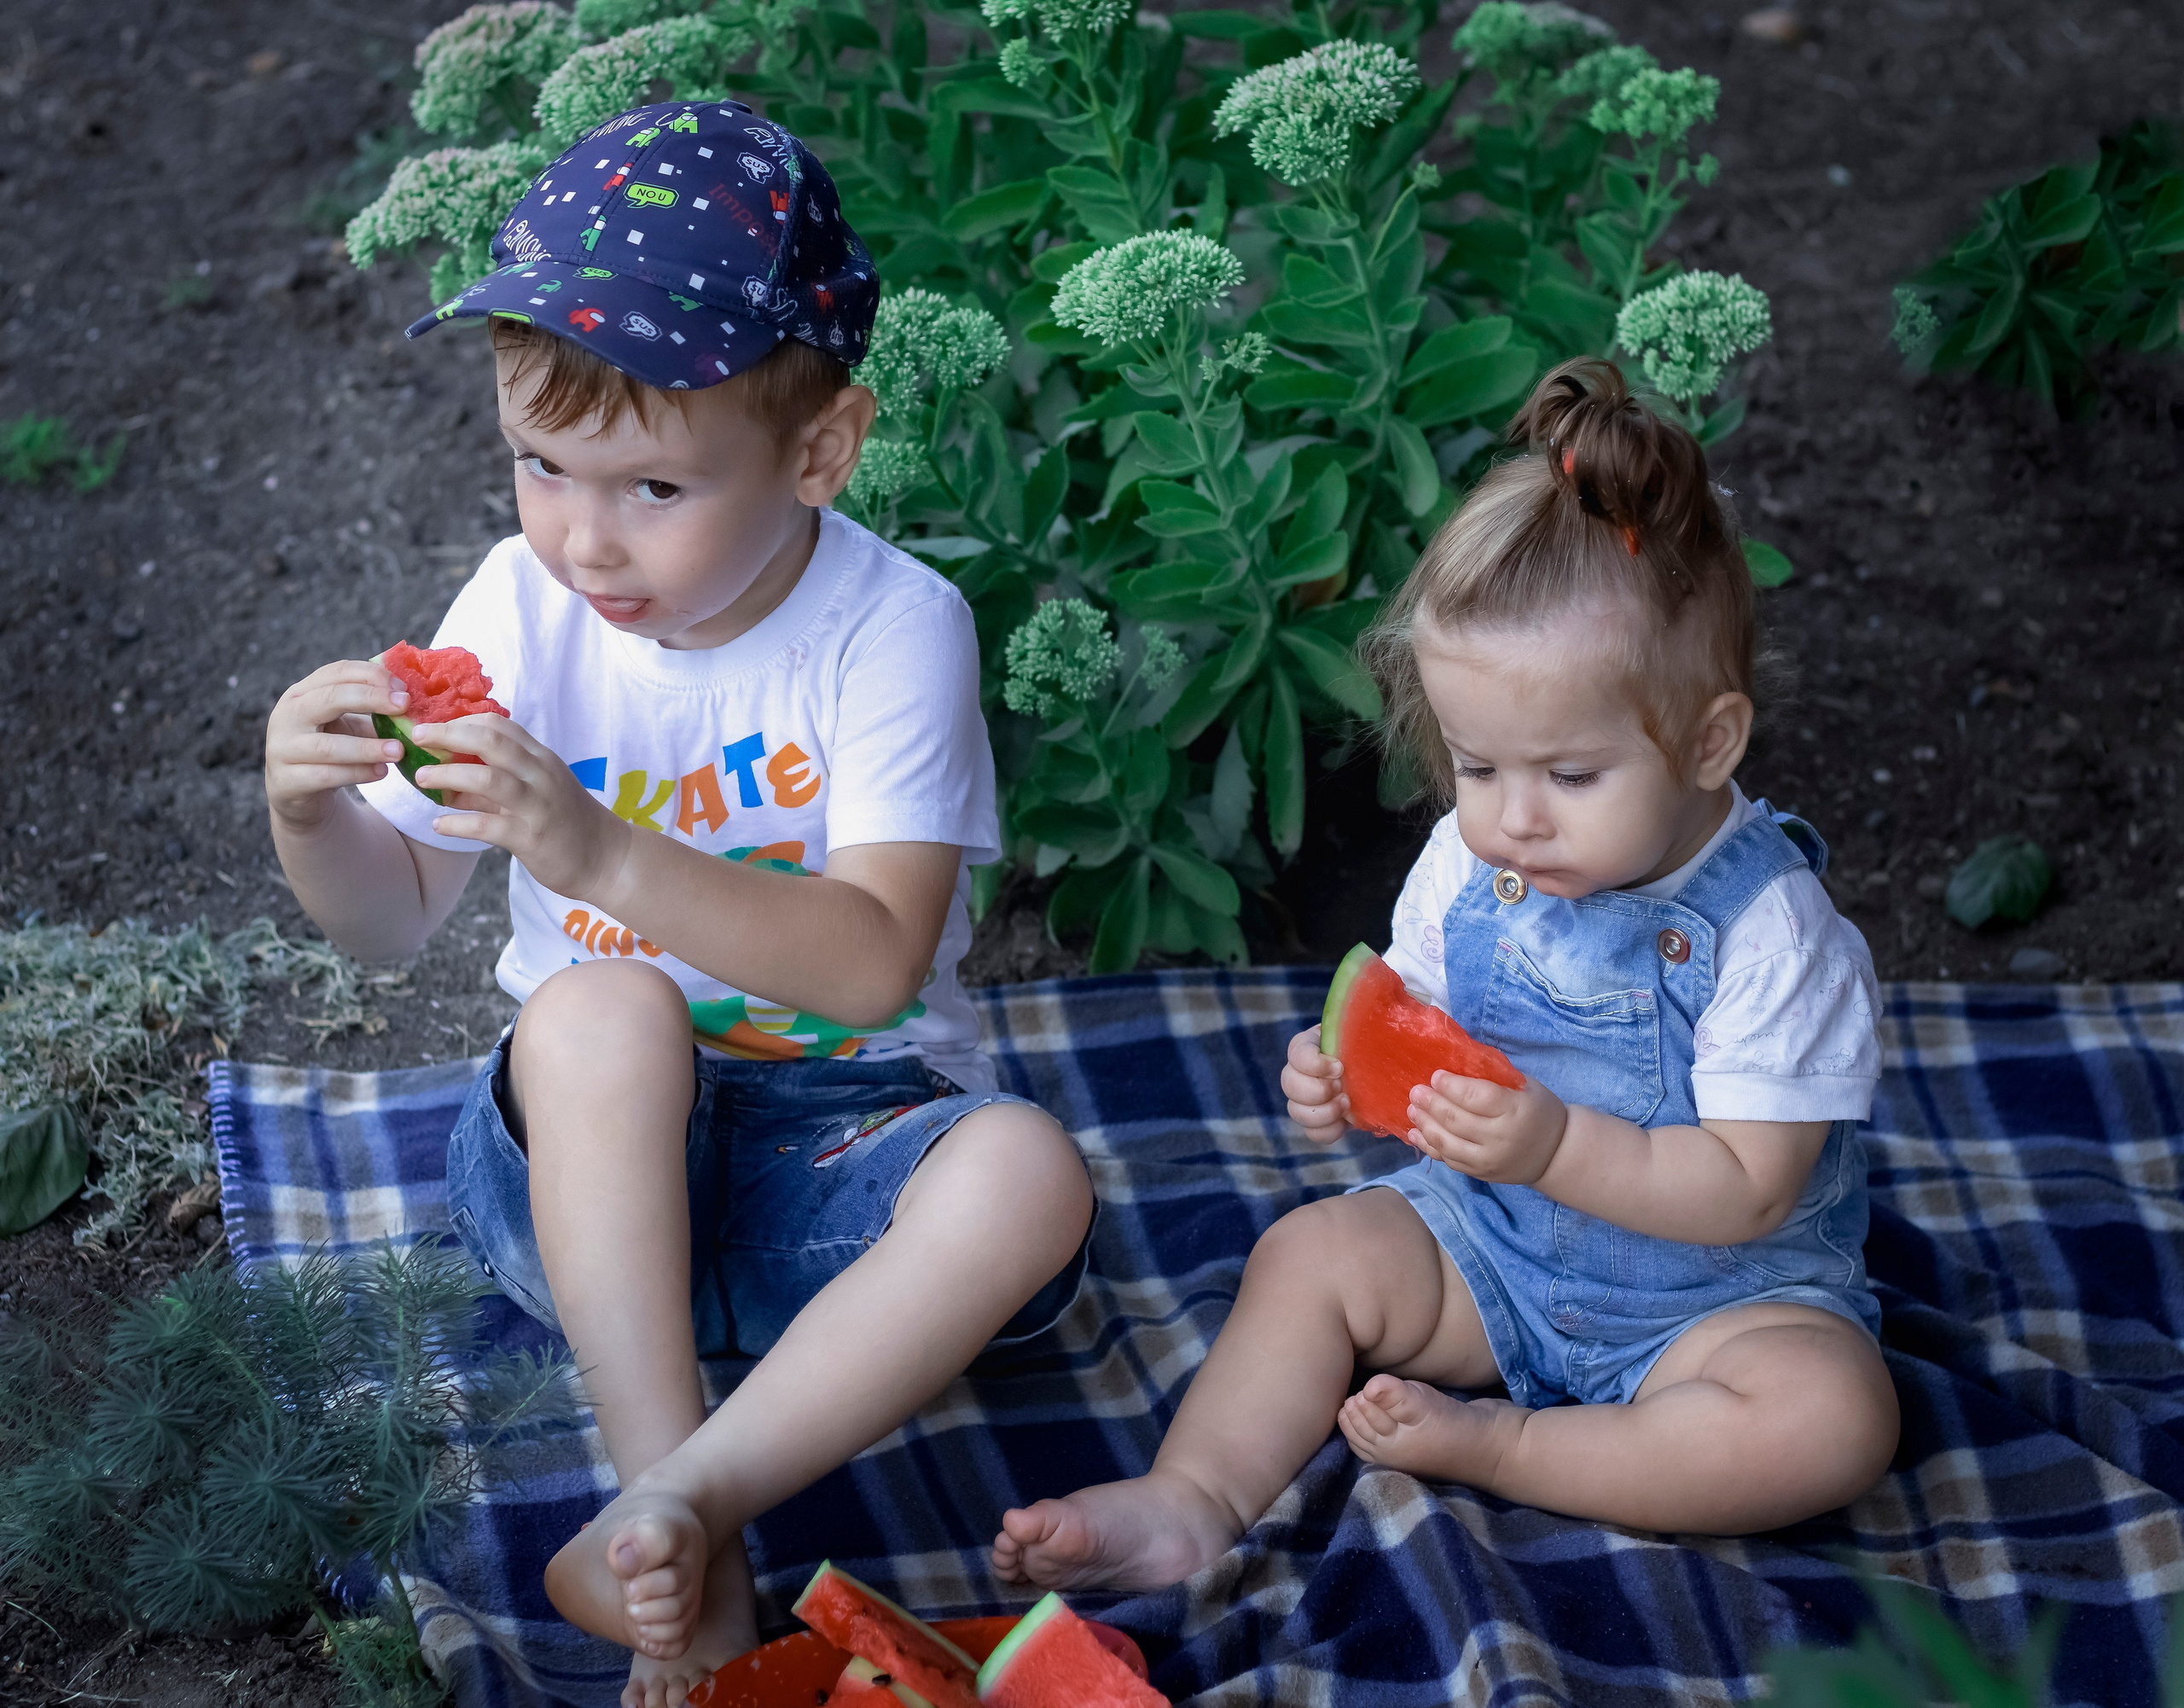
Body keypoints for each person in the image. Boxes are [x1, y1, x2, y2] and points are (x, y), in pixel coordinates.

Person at [263, 102, 1094, 1708]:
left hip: (842, 1182)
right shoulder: (520, 606)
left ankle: (677, 1505)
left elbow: (874, 965)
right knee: (596, 1008)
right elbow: (388, 921)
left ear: (819, 452)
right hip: (576, 1191)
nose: (583, 538)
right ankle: (685, 1532)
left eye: (652, 484)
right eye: (540, 464)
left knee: (1030, 1172)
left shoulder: (894, 629)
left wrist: (603, 855)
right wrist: (311, 812)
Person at [992, 356, 1897, 1592]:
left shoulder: (1773, 933)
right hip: (1495, 1251)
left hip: (1720, 1306)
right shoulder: (1472, 867)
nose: (1513, 818)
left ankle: (1511, 1448)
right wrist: (1343, 1075)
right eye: (1476, 768)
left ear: (1709, 741)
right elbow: (1413, 1021)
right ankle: (1190, 1499)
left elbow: (1748, 1188)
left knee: (1831, 1420)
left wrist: (1554, 1147)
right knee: (1309, 1252)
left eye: (1570, 776)